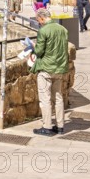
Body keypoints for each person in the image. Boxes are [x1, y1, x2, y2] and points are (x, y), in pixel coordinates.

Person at [32, 8, 69, 136]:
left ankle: (47, 126)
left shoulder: (43, 30)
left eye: (38, 21)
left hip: (46, 68)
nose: (39, 23)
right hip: (59, 68)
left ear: (42, 18)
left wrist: (32, 46)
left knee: (45, 98)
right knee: (58, 97)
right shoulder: (62, 29)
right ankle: (60, 126)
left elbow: (39, 51)